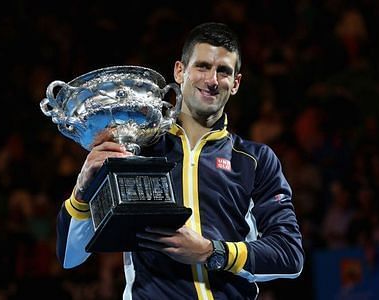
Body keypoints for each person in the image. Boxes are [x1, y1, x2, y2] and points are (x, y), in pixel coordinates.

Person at [56, 22, 304, 299]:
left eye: (223, 71)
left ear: (235, 84)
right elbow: (70, 256)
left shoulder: (254, 160)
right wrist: (82, 188)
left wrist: (212, 252)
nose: (212, 80)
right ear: (179, 71)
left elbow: (289, 255)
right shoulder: (136, 150)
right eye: (202, 66)